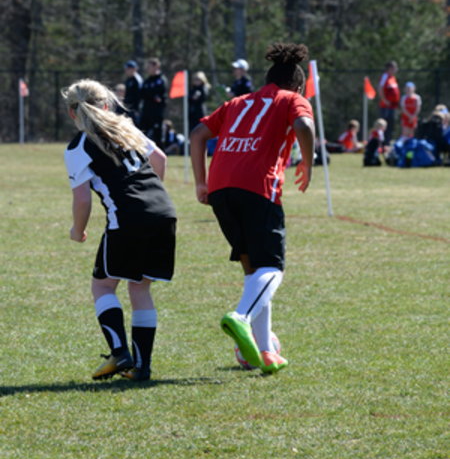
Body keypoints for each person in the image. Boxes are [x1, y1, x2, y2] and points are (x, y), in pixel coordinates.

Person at [190, 42, 315, 375]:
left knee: (254, 272)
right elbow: (304, 126)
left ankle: (264, 351)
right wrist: (308, 162)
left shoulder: (237, 102)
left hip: (220, 190)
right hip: (258, 188)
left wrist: (201, 182)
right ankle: (240, 317)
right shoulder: (293, 99)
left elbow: (198, 135)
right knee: (273, 268)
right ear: (298, 86)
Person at [62, 79, 177, 382]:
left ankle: (119, 352)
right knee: (139, 288)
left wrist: (77, 230)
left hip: (128, 218)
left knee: (102, 286)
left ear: (73, 112)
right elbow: (160, 159)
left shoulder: (79, 145)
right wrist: (150, 197)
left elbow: (82, 199)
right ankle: (141, 367)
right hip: (164, 212)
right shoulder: (127, 128)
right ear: (106, 104)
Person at [140, 57, 168, 148]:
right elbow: (143, 94)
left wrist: (153, 96)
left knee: (157, 135)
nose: (148, 69)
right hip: (146, 112)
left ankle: (161, 153)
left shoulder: (161, 80)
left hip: (156, 113)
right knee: (142, 133)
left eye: (149, 67)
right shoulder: (147, 81)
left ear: (156, 66)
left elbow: (161, 97)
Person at [378, 60, 400, 145]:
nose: (396, 69)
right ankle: (382, 143)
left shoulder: (392, 78)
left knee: (391, 126)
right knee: (384, 125)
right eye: (395, 68)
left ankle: (387, 142)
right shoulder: (385, 76)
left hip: (392, 106)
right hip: (386, 106)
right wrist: (384, 100)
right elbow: (380, 88)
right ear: (390, 68)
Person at [123, 60, 143, 124]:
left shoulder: (137, 80)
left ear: (133, 69)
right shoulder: (128, 79)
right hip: (128, 107)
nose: (126, 71)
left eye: (127, 69)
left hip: (135, 109)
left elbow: (139, 96)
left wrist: (137, 109)